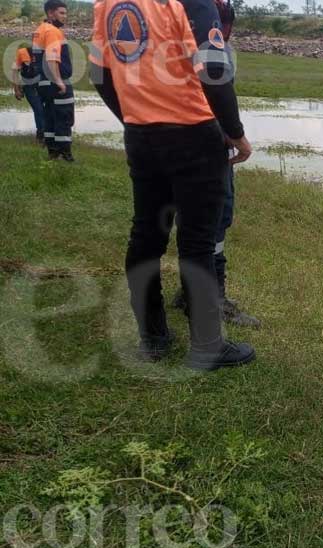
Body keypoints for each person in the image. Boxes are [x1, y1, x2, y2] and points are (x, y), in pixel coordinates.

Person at [89, 0, 256, 370]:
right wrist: (235, 133)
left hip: (142, 135)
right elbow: (213, 68)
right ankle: (207, 347)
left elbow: (97, 73)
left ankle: (153, 339)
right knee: (197, 240)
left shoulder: (107, 4)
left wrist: (134, 116)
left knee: (146, 236)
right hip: (193, 135)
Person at [171, 0, 261, 329]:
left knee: (190, 217)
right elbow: (214, 76)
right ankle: (212, 297)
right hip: (206, 133)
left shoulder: (167, 10)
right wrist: (236, 135)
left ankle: (189, 290)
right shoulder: (204, 10)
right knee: (214, 218)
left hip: (172, 129)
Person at [31, 0, 74, 162]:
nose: (65, 16)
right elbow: (52, 57)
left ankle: (52, 152)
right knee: (64, 117)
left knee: (49, 116)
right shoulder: (53, 31)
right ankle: (65, 154)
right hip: (55, 81)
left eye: (65, 13)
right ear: (50, 13)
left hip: (42, 82)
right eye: (61, 13)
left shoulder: (39, 30)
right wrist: (59, 81)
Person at [11, 41, 45, 143]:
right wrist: (16, 89)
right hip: (28, 85)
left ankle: (47, 134)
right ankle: (41, 135)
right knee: (38, 109)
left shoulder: (47, 53)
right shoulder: (22, 52)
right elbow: (14, 71)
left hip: (43, 85)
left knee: (45, 109)